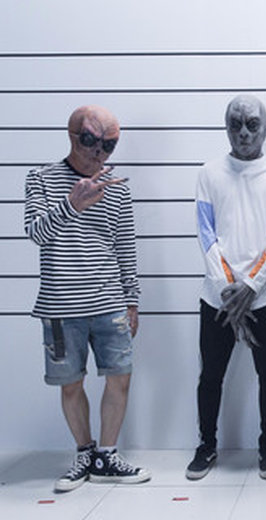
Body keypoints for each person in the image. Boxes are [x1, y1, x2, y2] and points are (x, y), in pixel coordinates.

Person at [24, 105, 149, 492]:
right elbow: (36, 233)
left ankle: (106, 456)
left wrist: (132, 300)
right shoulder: (41, 179)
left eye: (109, 145)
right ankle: (84, 452)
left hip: (110, 302)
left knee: (120, 377)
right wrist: (72, 204)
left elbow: (125, 246)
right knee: (70, 383)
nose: (100, 152)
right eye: (92, 141)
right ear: (72, 135)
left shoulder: (117, 186)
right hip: (61, 305)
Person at [187, 95, 266, 481]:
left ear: (265, 128)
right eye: (236, 124)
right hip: (217, 296)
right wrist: (227, 288)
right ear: (226, 127)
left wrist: (249, 286)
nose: (244, 132)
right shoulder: (208, 173)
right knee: (210, 376)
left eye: (252, 124)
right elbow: (205, 233)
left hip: (264, 297)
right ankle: (206, 445)